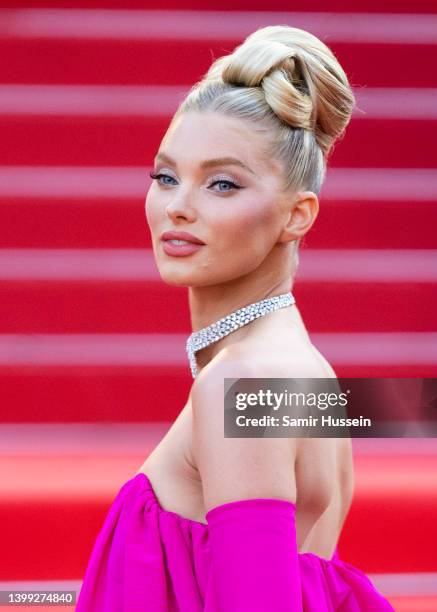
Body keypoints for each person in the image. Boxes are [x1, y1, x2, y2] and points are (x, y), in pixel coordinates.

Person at [76, 24, 395, 611]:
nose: (178, 206)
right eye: (165, 176)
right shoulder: (305, 373)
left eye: (222, 184)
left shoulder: (241, 383)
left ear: (297, 215)